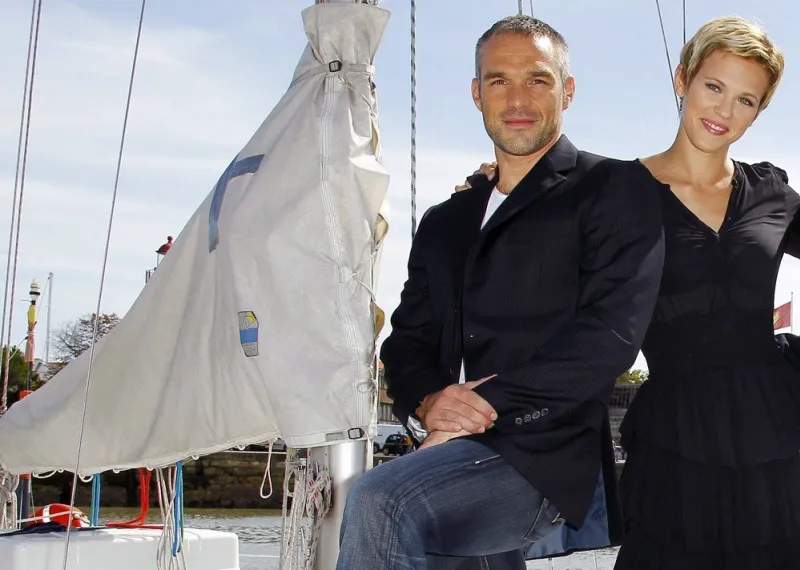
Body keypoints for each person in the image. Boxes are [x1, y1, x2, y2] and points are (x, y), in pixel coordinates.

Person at [462, 15, 800, 570]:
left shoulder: (771, 191)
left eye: (745, 100)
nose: (723, 111)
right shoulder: (612, 190)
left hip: (776, 432)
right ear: (682, 79)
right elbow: (530, 250)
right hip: (676, 439)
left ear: (759, 110)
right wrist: (490, 194)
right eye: (713, 87)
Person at [335, 15, 665, 570]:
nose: (517, 99)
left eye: (537, 80)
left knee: (382, 500)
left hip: (540, 456)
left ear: (567, 90)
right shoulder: (445, 220)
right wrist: (431, 403)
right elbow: (407, 342)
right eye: (498, 81)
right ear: (476, 93)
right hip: (442, 447)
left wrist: (482, 405)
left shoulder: (614, 188)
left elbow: (609, 336)